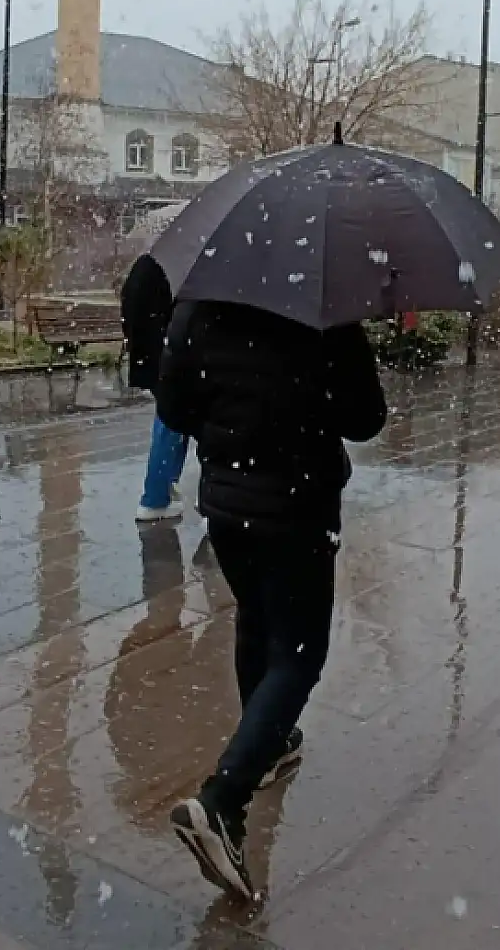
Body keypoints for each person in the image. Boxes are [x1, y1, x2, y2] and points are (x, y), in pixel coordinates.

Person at [156, 299, 387, 900]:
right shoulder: (324, 312)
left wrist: (234, 418)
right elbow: (365, 418)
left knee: (256, 620)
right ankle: (221, 803)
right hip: (298, 509)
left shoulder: (200, 307)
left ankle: (272, 742)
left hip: (227, 508)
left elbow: (174, 406)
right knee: (299, 656)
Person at [121, 253, 187, 522]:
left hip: (154, 358)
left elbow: (129, 308)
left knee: (177, 420)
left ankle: (165, 487)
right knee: (172, 423)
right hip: (171, 359)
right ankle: (155, 497)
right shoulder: (176, 269)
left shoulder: (148, 265)